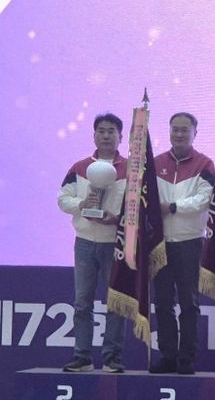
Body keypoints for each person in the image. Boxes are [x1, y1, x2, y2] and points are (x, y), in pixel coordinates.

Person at [58, 113, 127, 373]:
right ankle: (82, 357)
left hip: (115, 244)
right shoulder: (79, 167)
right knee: (82, 302)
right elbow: (63, 199)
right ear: (94, 135)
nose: (106, 135)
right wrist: (81, 204)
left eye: (111, 131)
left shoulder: (132, 170)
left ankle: (111, 357)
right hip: (85, 242)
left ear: (121, 136)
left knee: (115, 303)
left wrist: (117, 219)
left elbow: (137, 208)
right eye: (101, 131)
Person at [150, 112, 215, 375]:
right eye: (175, 129)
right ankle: (168, 356)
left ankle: (186, 358)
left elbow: (205, 198)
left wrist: (173, 207)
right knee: (163, 302)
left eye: (184, 130)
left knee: (189, 302)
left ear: (194, 133)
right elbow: (145, 198)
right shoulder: (154, 163)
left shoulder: (205, 164)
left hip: (190, 241)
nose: (179, 134)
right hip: (160, 243)